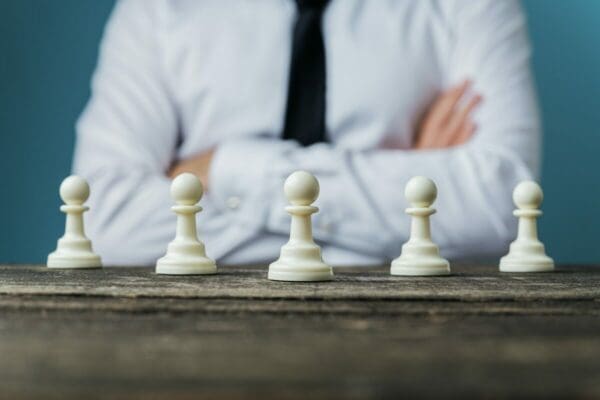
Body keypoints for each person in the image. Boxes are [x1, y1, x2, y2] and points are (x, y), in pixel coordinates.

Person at [73, 0, 540, 266]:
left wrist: (221, 171)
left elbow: (499, 208)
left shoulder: (468, 7)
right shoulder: (156, 11)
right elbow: (107, 222)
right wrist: (410, 205)